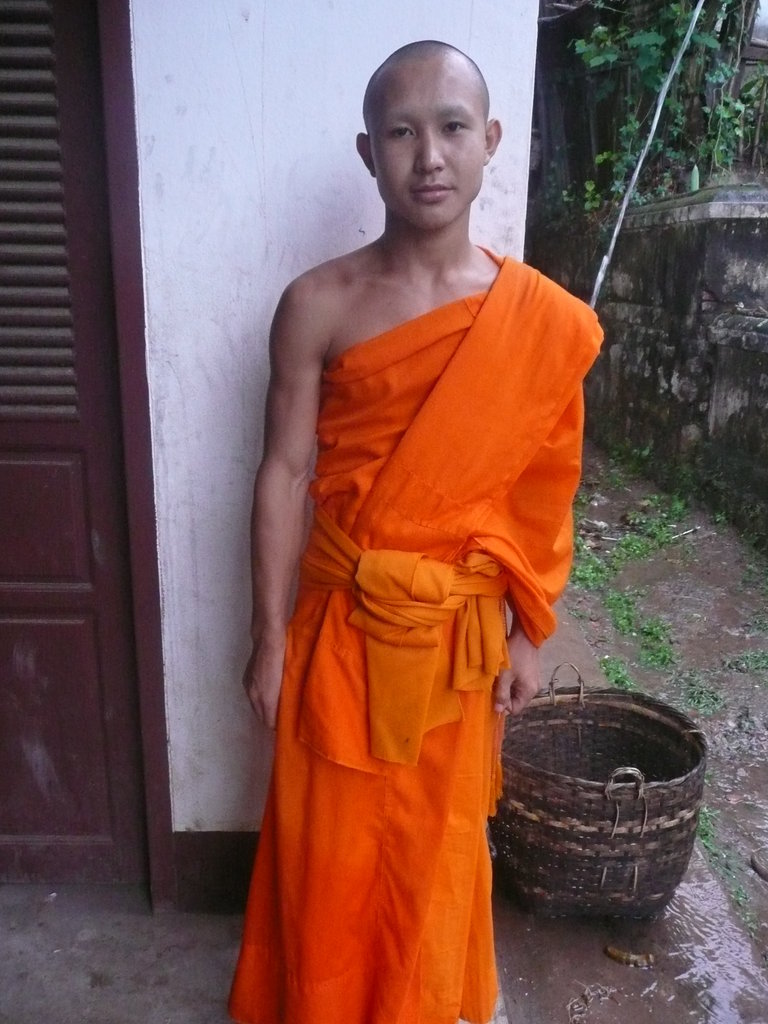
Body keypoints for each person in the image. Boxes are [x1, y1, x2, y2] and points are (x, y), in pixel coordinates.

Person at [229, 40, 602, 1024]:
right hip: (338, 636)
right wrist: (269, 637)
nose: (427, 155)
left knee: (434, 859)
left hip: (453, 648)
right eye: (401, 132)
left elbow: (540, 493)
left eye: (449, 129)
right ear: (368, 152)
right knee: (331, 850)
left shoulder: (536, 325)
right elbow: (283, 471)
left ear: (489, 143)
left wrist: (528, 632)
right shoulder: (318, 304)